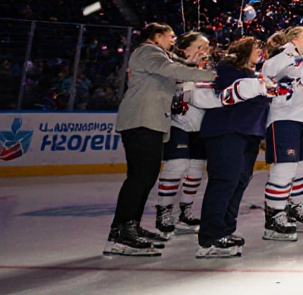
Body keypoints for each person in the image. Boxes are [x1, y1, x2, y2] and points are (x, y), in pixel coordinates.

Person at [107, 23, 216, 257]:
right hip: (141, 120)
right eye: (170, 36)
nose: (173, 40)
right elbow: (175, 71)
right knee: (140, 177)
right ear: (157, 36)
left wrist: (192, 63)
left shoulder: (158, 56)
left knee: (144, 177)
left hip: (150, 121)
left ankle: (130, 226)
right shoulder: (149, 51)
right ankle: (120, 231)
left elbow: (177, 69)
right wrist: (212, 75)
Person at [196, 37, 271, 258]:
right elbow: (227, 94)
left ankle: (225, 230)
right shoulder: (227, 69)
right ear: (244, 49)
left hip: (249, 134)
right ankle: (210, 238)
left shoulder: (256, 76)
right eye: (257, 48)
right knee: (224, 181)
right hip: (226, 131)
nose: (260, 53)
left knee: (238, 182)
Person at [152, 31, 215, 238]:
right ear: (185, 49)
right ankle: (164, 211)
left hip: (201, 127)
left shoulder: (212, 71)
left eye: (206, 47)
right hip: (179, 124)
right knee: (176, 166)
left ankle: (185, 211)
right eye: (200, 46)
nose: (204, 51)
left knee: (196, 171)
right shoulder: (175, 68)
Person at [261, 27, 303, 241]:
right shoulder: (285, 55)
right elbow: (266, 71)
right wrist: (289, 55)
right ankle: (274, 215)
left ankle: (294, 206)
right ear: (294, 39)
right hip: (284, 118)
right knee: (284, 168)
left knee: (301, 167)